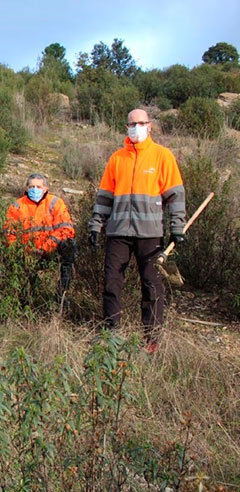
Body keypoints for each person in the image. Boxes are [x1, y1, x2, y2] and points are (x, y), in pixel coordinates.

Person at [88, 108, 186, 352]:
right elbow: (104, 197)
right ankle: (111, 336)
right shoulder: (116, 159)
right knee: (111, 284)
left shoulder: (163, 156)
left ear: (149, 126)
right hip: (118, 233)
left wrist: (177, 227)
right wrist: (95, 224)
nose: (136, 127)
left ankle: (151, 340)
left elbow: (175, 195)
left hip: (150, 233)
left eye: (141, 123)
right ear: (126, 127)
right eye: (132, 124)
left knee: (152, 286)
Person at [4, 173, 76, 302]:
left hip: (50, 252)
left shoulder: (55, 203)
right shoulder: (17, 206)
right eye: (31, 186)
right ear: (26, 188)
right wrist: (26, 252)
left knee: (69, 245)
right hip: (27, 255)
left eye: (38, 186)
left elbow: (66, 230)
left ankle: (62, 292)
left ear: (46, 188)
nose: (35, 189)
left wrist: (45, 248)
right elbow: (10, 234)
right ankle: (26, 298)